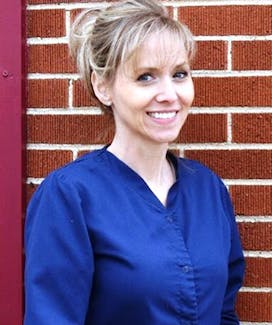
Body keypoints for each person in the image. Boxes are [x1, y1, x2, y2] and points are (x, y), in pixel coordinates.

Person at [24, 0, 245, 324]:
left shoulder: (207, 190)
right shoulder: (70, 196)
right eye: (145, 77)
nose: (169, 93)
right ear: (103, 87)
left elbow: (224, 312)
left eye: (179, 74)